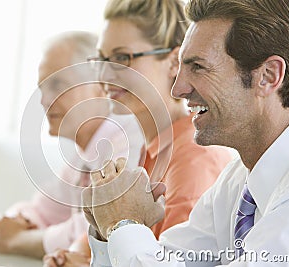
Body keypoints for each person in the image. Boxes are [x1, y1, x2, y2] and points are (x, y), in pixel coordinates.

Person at [84, 0, 289, 266]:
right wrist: (109, 234)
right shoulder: (237, 181)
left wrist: (122, 224)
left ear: (267, 76)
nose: (178, 89)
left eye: (198, 67)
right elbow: (171, 259)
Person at [43, 0, 232, 265]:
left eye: (122, 58)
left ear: (174, 63)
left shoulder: (193, 156)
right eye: (102, 60)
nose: (106, 74)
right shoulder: (151, 150)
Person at [0, 31, 144, 259]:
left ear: (100, 85)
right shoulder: (85, 154)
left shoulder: (127, 145)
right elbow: (41, 209)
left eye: (57, 85)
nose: (44, 101)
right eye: (42, 89)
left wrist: (16, 239)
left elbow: (90, 231)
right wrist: (16, 221)